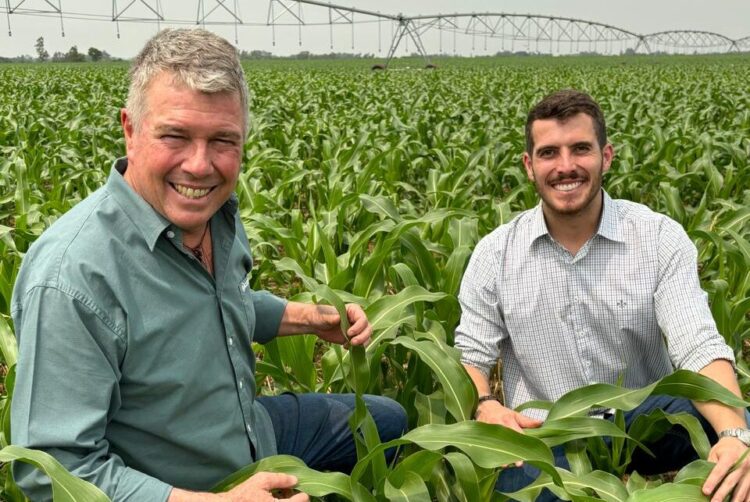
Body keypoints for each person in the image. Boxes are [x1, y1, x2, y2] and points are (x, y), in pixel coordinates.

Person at [10, 28, 406, 502]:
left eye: (223, 140)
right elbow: (53, 473)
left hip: (247, 431)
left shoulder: (214, 213)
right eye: (175, 135)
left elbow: (217, 300)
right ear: (130, 131)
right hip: (180, 484)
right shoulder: (73, 276)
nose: (200, 166)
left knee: (386, 422)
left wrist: (306, 317)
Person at [454, 89, 750, 502]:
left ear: (606, 157)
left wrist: (736, 437)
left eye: (580, 149)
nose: (566, 166)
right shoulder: (495, 254)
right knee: (516, 487)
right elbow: (471, 357)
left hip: (644, 419)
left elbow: (697, 345)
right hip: (546, 431)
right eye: (549, 153)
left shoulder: (657, 238)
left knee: (739, 442)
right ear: (529, 166)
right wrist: (485, 404)